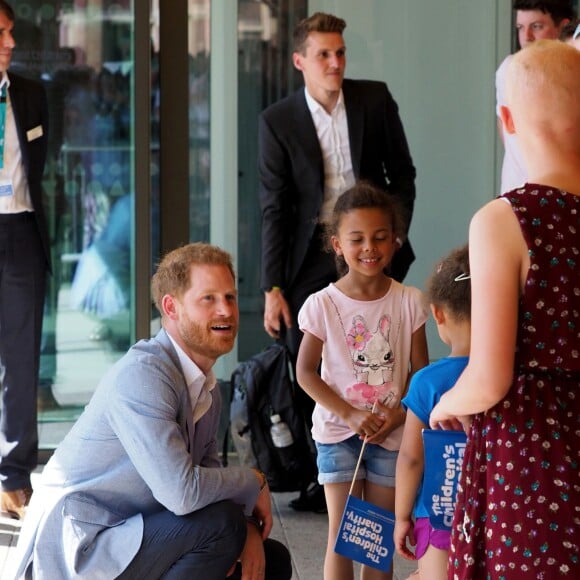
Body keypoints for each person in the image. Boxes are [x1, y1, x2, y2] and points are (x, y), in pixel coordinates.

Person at [10, 243, 292, 580]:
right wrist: (253, 480)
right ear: (171, 307)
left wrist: (248, 524)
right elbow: (183, 493)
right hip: (80, 549)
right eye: (209, 299)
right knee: (222, 529)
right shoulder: (143, 374)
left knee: (269, 560)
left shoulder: (207, 389)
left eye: (230, 297)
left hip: (130, 533)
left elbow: (210, 479)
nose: (226, 311)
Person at [430, 41, 580, 578]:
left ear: (508, 119)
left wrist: (448, 400)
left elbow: (489, 375)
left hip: (531, 455)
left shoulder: (505, 219)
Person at [259, 12, 416, 513]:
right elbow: (274, 207)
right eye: (324, 54)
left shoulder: (374, 98)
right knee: (305, 354)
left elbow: (403, 173)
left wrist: (395, 235)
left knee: (384, 348)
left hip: (373, 244)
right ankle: (322, 471)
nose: (335, 63)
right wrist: (272, 286)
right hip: (311, 255)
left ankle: (381, 455)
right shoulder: (278, 120)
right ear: (300, 61)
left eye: (341, 53)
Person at [295, 182, 429, 580]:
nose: (369, 247)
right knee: (343, 534)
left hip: (392, 437)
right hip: (338, 433)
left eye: (380, 237)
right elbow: (304, 373)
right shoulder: (322, 304)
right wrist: (350, 415)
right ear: (337, 245)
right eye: (357, 239)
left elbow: (419, 374)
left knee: (377, 536)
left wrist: (400, 414)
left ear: (395, 243)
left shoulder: (410, 301)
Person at [0, 0, 52, 520]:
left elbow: (39, 165)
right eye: (0, 33)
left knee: (19, 363)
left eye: (10, 32)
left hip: (18, 230)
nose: (10, 42)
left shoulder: (32, 93)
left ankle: (14, 476)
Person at [394, 245, 471, 580]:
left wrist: (401, 517)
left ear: (437, 314)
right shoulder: (511, 378)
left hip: (438, 510)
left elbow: (411, 458)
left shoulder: (427, 382)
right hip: (498, 508)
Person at [496, 0, 573, 194]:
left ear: (562, 27)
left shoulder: (571, 74)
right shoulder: (510, 68)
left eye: (537, 27)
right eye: (520, 28)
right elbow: (505, 130)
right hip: (518, 188)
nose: (527, 37)